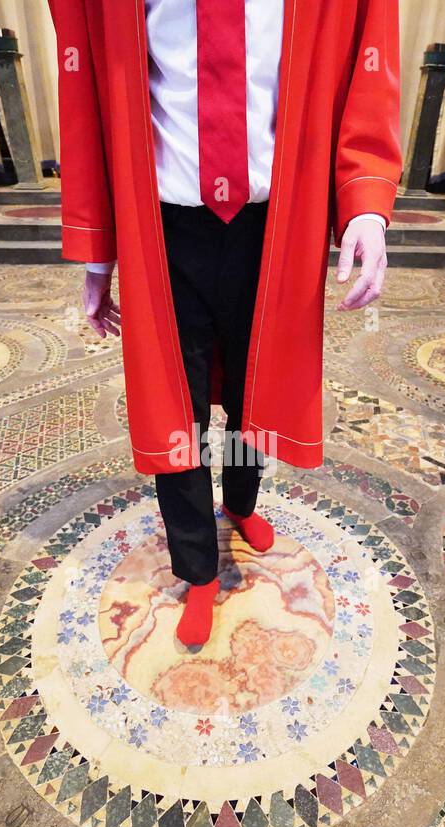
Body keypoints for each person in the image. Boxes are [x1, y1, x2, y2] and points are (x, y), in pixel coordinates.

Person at [51, 0, 401, 645]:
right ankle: (197, 567)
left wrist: (365, 206)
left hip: (276, 223)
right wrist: (98, 258)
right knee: (172, 408)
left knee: (256, 391)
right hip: (162, 224)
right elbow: (87, 98)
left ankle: (241, 504)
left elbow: (367, 76)